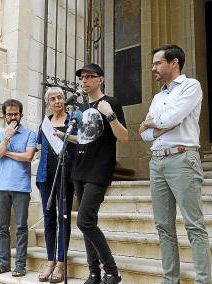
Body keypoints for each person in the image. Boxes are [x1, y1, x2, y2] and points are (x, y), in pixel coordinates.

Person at [139, 44, 211, 284]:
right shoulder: (158, 97)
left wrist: (154, 123)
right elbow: (143, 133)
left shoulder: (191, 86)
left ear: (174, 63)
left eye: (158, 63)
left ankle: (203, 281)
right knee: (163, 226)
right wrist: (156, 127)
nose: (153, 68)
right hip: (157, 161)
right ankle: (171, 280)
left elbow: (173, 118)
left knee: (194, 226)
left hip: (182, 158)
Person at [72, 63, 128, 284]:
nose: (84, 81)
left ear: (100, 79)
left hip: (99, 169)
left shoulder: (111, 103)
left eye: (88, 77)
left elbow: (124, 137)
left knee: (84, 221)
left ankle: (112, 271)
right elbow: (86, 138)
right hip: (80, 168)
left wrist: (110, 115)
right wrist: (64, 135)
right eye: (81, 78)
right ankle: (94, 273)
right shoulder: (84, 107)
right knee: (89, 222)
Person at [0, 99, 37, 277]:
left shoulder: (30, 134)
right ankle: (3, 264)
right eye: (9, 114)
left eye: (16, 114)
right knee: (2, 227)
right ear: (4, 116)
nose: (13, 117)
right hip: (1, 186)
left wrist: (6, 152)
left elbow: (28, 156)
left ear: (21, 115)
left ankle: (20, 265)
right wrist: (7, 137)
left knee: (21, 227)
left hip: (21, 187)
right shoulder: (0, 135)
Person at [36, 87, 77, 283]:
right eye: (53, 99)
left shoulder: (73, 121)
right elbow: (42, 149)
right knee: (48, 219)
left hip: (65, 177)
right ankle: (50, 260)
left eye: (60, 97)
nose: (58, 101)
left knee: (63, 219)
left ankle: (61, 263)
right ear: (48, 103)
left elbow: (79, 144)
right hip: (46, 177)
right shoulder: (44, 124)